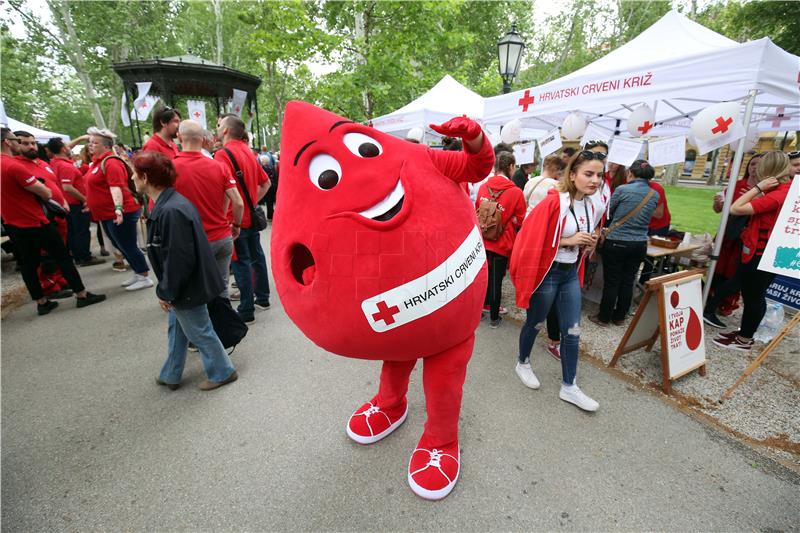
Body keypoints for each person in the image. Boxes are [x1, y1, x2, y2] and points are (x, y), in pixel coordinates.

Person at [131, 151, 238, 391]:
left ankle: (223, 371)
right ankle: (171, 373)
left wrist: (166, 291)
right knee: (178, 328)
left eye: (134, 174)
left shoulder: (170, 209)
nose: (131, 178)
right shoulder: (170, 204)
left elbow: (179, 260)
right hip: (186, 284)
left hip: (186, 286)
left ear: (145, 177)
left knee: (200, 331)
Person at [510, 150, 602, 411]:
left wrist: (588, 244)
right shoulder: (553, 203)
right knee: (536, 321)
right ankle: (523, 362)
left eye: (599, 175)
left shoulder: (592, 205)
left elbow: (581, 238)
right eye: (588, 174)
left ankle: (569, 386)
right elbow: (530, 238)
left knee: (572, 330)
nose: (595, 180)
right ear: (572, 175)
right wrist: (570, 240)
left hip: (570, 273)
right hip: (548, 274)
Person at [0, 128, 106, 315]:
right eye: (17, 140)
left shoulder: (26, 163)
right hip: (35, 221)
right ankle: (81, 294)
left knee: (28, 263)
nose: (24, 144)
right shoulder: (13, 165)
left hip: (16, 223)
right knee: (62, 256)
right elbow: (45, 192)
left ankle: (42, 302)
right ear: (7, 142)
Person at [706, 152, 793, 351]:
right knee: (753, 294)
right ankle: (745, 333)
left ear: (768, 169)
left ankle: (744, 339)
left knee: (754, 296)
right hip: (761, 252)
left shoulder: (779, 194)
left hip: (761, 254)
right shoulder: (783, 190)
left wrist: (757, 188)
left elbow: (735, 208)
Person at [173, 120, 244, 297]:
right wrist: (236, 225)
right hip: (222, 238)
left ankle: (208, 324)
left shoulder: (170, 168)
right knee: (221, 288)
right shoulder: (219, 167)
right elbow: (238, 202)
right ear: (203, 140)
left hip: (193, 241)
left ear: (179, 137)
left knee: (196, 293)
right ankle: (224, 322)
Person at [214, 115, 271, 323]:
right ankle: (262, 298)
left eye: (219, 125)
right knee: (257, 258)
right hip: (250, 217)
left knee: (241, 264)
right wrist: (252, 202)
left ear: (227, 130)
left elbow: (223, 190)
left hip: (233, 219)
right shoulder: (248, 152)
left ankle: (246, 310)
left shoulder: (222, 154)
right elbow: (266, 184)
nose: (217, 129)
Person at [592, 160, 659, 326]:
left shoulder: (622, 190)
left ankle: (604, 316)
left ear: (631, 174)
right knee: (629, 280)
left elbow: (610, 212)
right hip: (640, 243)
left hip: (617, 240)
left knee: (612, 281)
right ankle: (620, 316)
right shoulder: (654, 194)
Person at [85, 127, 153, 291]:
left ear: (107, 146)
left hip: (121, 212)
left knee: (127, 245)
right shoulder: (97, 162)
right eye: (90, 142)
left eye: (95, 143)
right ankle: (138, 272)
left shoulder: (111, 162)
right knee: (120, 245)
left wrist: (118, 208)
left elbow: (116, 187)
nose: (90, 145)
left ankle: (143, 275)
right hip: (107, 214)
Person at [707, 152, 764, 317]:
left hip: (747, 236)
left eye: (759, 164)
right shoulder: (735, 185)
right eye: (752, 164)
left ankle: (726, 302)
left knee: (734, 270)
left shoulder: (768, 190)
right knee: (718, 266)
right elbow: (719, 210)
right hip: (727, 233)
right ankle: (710, 298)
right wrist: (717, 205)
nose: (755, 168)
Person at [475, 151, 525, 328]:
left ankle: (477, 312)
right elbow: (520, 220)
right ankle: (494, 318)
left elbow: (477, 210)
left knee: (480, 278)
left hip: (482, 241)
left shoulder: (482, 187)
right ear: (511, 167)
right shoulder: (516, 192)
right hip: (501, 244)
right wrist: (509, 218)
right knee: (496, 281)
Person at [46, 137, 104, 266]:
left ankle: (79, 255)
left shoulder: (55, 162)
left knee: (73, 231)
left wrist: (82, 138)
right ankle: (84, 257)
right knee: (81, 231)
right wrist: (85, 199)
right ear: (62, 149)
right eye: (66, 146)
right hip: (75, 203)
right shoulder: (64, 165)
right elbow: (67, 187)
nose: (69, 147)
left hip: (68, 203)